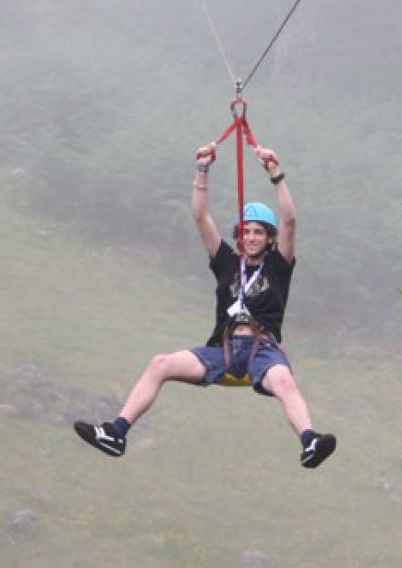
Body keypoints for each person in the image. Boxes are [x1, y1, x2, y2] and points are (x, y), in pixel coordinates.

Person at [74, 143, 336, 469]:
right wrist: (202, 169)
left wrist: (275, 174)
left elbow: (291, 220)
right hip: (223, 349)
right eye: (246, 232)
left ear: (269, 238)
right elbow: (199, 216)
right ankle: (116, 432)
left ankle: (309, 440)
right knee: (160, 364)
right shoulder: (226, 261)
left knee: (284, 381)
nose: (251, 237)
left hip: (262, 349)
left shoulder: (278, 266)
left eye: (258, 232)